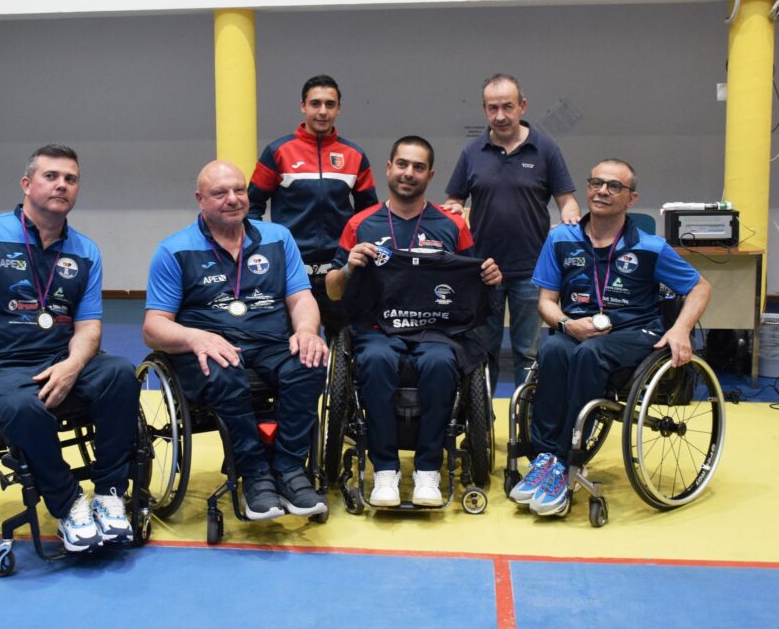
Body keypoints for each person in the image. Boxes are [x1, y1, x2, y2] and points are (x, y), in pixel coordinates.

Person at [0, 144, 140, 551]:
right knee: (25, 408)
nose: (62, 185)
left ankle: (110, 494)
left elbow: (89, 326)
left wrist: (72, 365)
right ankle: (68, 503)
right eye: (51, 176)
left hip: (57, 359)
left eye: (71, 179)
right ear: (26, 184)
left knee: (121, 373)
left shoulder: (85, 251)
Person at [509, 158, 710, 517]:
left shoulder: (650, 246)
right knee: (552, 348)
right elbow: (546, 302)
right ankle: (546, 458)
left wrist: (680, 328)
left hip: (636, 331)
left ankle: (568, 460)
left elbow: (700, 287)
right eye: (596, 183)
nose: (602, 191)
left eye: (614, 186)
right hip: (578, 328)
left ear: (631, 198)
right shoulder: (561, 238)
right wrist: (568, 324)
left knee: (590, 354)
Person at [143, 160, 330, 520]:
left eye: (239, 190)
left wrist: (306, 330)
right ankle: (255, 475)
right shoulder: (174, 250)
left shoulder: (278, 238)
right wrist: (196, 338)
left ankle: (290, 469)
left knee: (310, 362)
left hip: (272, 342)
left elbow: (300, 298)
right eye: (220, 193)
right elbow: (154, 327)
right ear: (200, 199)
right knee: (226, 373)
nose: (233, 199)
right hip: (210, 346)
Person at [326, 136, 502, 506]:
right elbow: (333, 291)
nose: (409, 173)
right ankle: (385, 471)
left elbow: (472, 278)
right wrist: (348, 267)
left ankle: (428, 471)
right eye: (403, 164)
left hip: (436, 330)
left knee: (439, 364)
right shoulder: (360, 223)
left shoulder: (452, 225)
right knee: (376, 361)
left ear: (430, 175)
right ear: (388, 167)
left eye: (418, 167)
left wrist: (490, 275)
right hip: (377, 328)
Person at [444, 73, 581, 391]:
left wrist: (570, 218)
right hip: (483, 270)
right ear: (484, 109)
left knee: (526, 353)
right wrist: (452, 211)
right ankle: (483, 418)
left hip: (532, 271)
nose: (500, 116)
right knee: (483, 352)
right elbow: (454, 200)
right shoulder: (472, 152)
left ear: (522, 106)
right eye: (492, 108)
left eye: (507, 106)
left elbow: (567, 200)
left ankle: (525, 417)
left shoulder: (545, 148)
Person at [249, 74, 378, 341]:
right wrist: (264, 250)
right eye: (315, 103)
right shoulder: (278, 152)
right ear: (303, 106)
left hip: (337, 273)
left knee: (348, 346)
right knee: (291, 347)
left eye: (330, 104)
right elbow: (252, 207)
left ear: (338, 108)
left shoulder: (354, 155)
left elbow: (368, 213)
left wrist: (354, 258)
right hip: (291, 272)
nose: (322, 111)